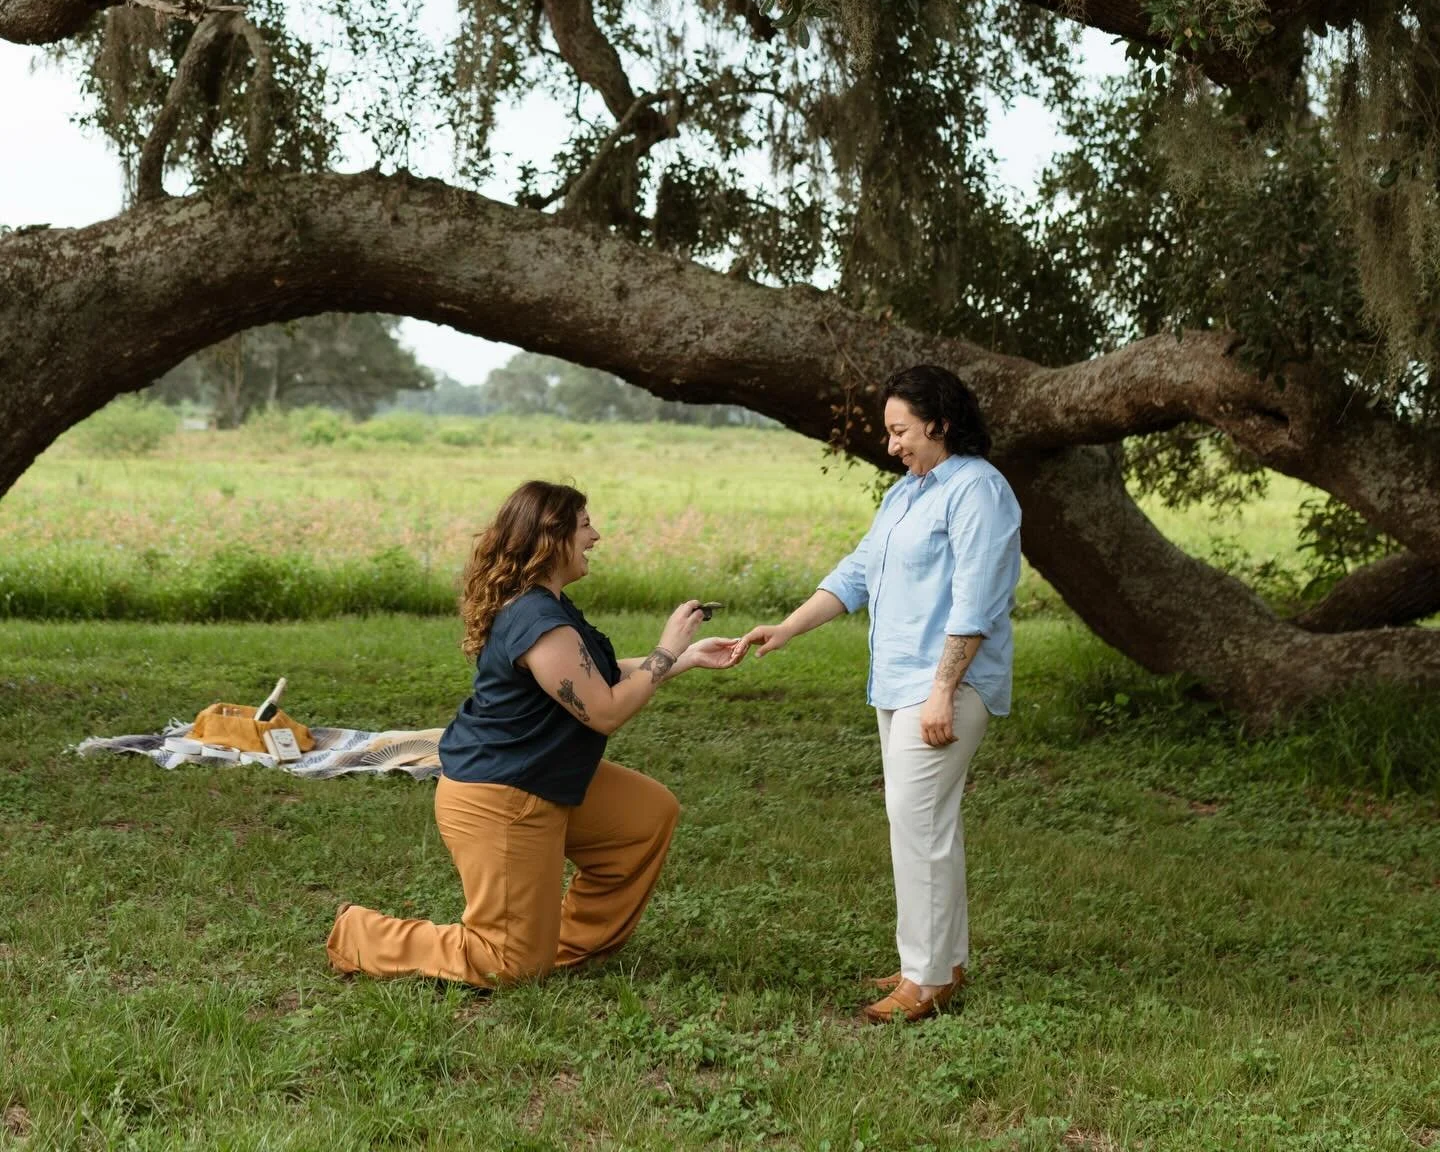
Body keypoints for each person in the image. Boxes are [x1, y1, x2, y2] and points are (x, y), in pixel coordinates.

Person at [327, 479, 739, 989]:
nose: (597, 536)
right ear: (553, 536)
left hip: (542, 779)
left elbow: (593, 677)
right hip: (500, 795)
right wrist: (667, 647)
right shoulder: (538, 619)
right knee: (506, 964)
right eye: (586, 525)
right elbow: (605, 710)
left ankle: (563, 946)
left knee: (644, 818)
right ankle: (359, 934)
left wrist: (685, 657)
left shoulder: (549, 608)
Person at [732, 364, 1021, 1024]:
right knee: (922, 826)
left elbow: (979, 599)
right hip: (898, 683)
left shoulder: (979, 491)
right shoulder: (908, 494)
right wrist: (786, 629)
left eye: (901, 431)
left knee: (918, 825)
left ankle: (924, 980)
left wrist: (944, 689)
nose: (891, 445)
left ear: (939, 424)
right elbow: (856, 574)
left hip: (943, 684)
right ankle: (938, 964)